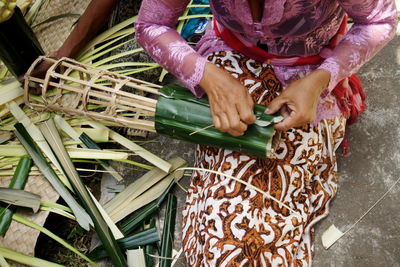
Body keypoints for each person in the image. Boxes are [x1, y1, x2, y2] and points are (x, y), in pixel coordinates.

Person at [135, 0, 397, 266]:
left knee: (272, 202)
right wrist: (206, 76)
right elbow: (151, 25)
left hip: (311, 71)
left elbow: (380, 20)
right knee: (228, 222)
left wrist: (322, 79)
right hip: (229, 58)